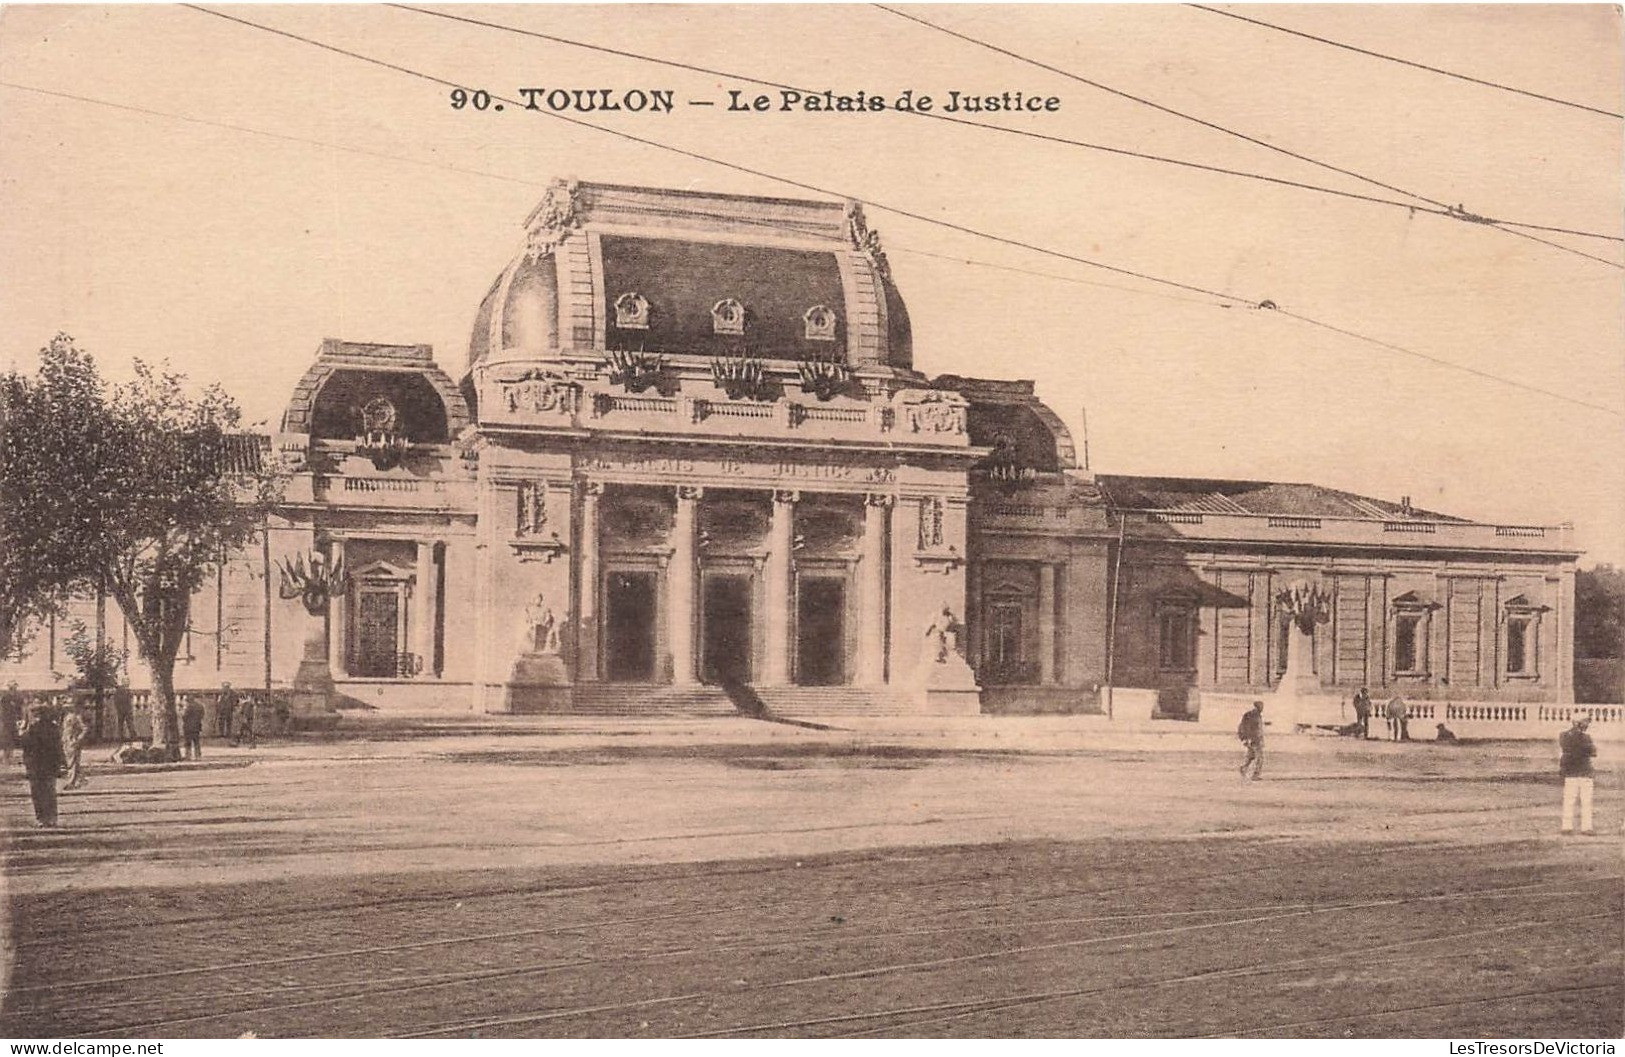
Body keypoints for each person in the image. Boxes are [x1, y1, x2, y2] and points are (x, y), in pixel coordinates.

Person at [19, 705, 65, 827]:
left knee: (38, 793)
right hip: (48, 765)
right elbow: (59, 748)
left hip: (36, 766)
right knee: (49, 792)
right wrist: (61, 764)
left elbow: (25, 746)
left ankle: (42, 818)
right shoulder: (54, 728)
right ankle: (51, 818)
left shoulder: (32, 729)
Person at [1559, 715, 1597, 836]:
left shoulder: (1564, 736)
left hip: (1570, 772)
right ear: (1578, 723)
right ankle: (1586, 827)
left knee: (1569, 800)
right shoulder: (1586, 738)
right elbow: (1593, 752)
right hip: (1584, 772)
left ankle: (1566, 826)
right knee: (1586, 801)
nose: (1587, 725)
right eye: (1585, 722)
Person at [60, 706, 89, 790]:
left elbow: (84, 729)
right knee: (69, 762)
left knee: (73, 763)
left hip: (73, 742)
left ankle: (71, 782)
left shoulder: (77, 717)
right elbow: (64, 730)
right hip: (66, 742)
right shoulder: (65, 717)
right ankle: (80, 780)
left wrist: (77, 739)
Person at [1237, 701, 1265, 781]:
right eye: (1261, 706)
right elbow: (1245, 727)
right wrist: (1246, 738)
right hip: (1253, 739)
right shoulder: (1251, 715)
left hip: (1255, 739)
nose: (1262, 708)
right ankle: (1255, 775)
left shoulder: (1256, 715)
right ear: (1257, 706)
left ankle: (1243, 768)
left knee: (1251, 756)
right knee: (1259, 757)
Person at [1, 682, 24, 764]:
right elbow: (4, 709)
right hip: (6, 721)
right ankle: (6, 756)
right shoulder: (5, 698)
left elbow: (19, 709)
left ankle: (9, 756)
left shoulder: (16, 697)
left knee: (11, 739)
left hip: (12, 721)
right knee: (6, 739)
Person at [182, 695, 206, 759]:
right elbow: (202, 715)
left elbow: (184, 716)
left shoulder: (188, 707)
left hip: (188, 727)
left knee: (188, 742)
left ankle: (188, 755)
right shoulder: (200, 706)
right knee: (196, 741)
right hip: (197, 726)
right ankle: (198, 755)